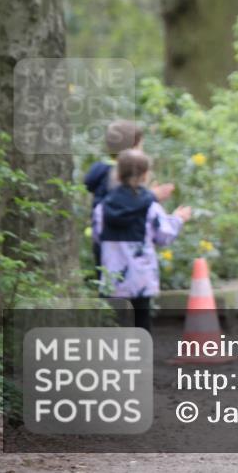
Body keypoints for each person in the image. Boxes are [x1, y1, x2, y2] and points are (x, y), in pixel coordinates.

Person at [93, 148, 191, 332]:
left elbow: (97, 236)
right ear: (145, 175)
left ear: (118, 173)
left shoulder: (103, 207)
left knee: (115, 322)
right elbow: (164, 235)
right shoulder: (150, 207)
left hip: (112, 274)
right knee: (141, 319)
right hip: (140, 276)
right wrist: (178, 218)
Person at [84, 120, 174, 284]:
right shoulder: (118, 175)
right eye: (140, 147)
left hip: (103, 240)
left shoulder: (100, 170)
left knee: (106, 286)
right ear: (131, 150)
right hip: (125, 244)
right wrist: (151, 196)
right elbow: (125, 205)